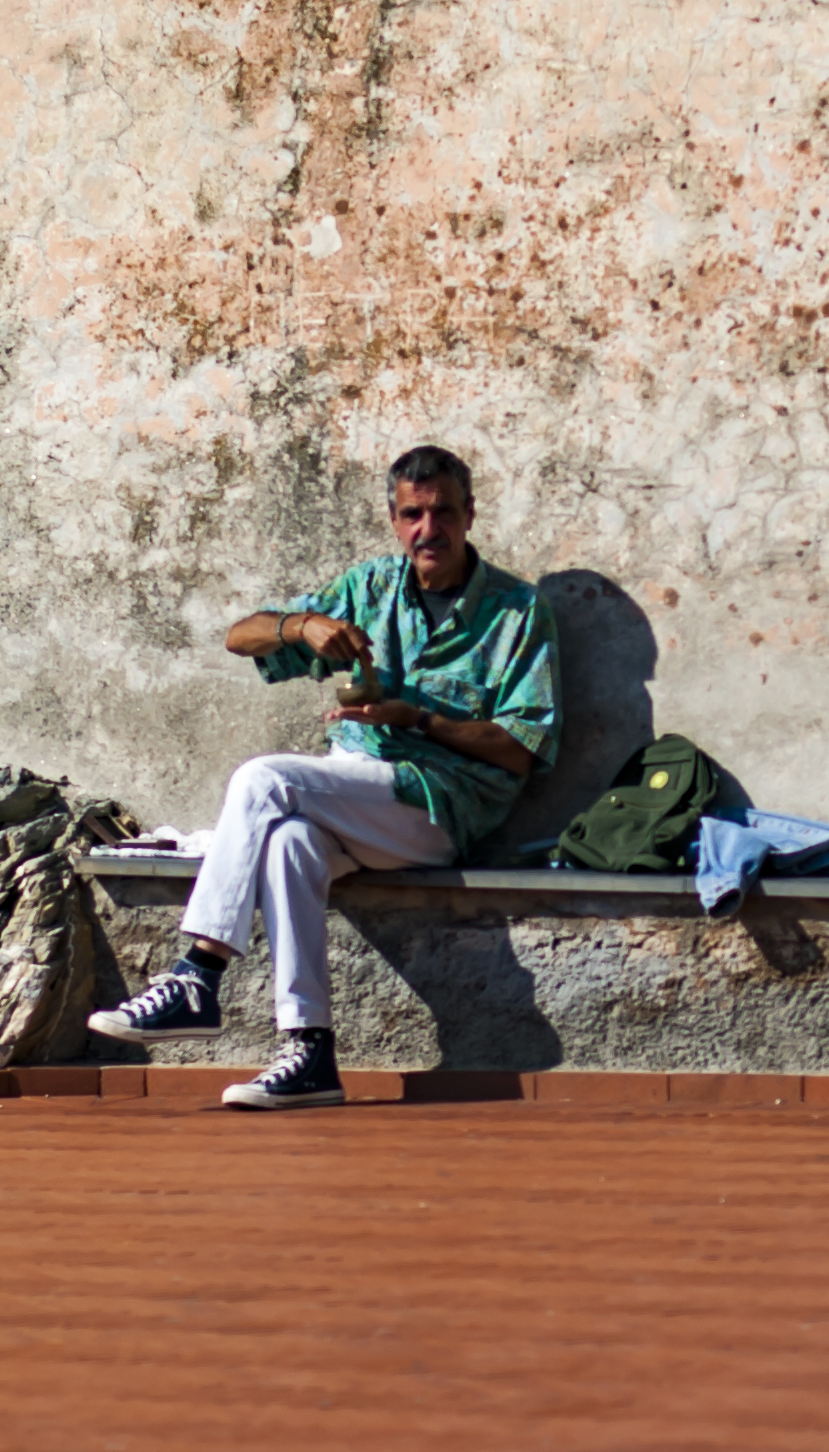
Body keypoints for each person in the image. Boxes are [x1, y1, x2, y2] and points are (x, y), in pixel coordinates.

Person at [88, 446, 561, 1108]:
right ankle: (308, 1049)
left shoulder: (517, 611)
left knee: (262, 779)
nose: (429, 529)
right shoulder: (366, 589)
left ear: (469, 515)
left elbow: (521, 750)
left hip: (437, 807)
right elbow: (239, 636)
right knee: (288, 845)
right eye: (413, 514)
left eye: (443, 512)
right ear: (395, 521)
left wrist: (418, 719)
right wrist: (301, 625)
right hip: (349, 791)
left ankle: (197, 972)